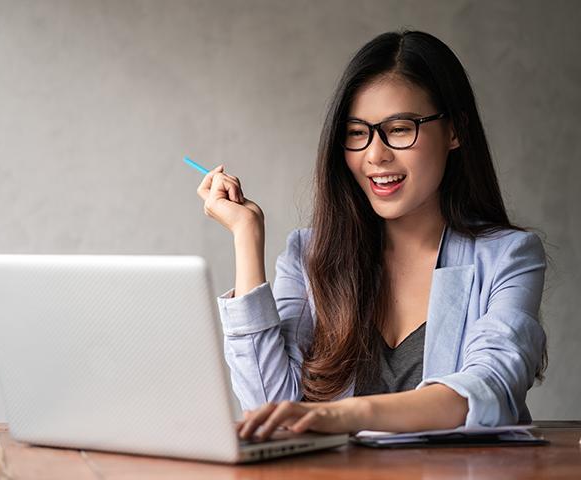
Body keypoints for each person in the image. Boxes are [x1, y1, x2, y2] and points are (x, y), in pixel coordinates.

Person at [195, 29, 548, 442]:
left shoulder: (509, 256)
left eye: (399, 129)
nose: (375, 155)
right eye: (357, 132)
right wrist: (246, 236)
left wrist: (346, 413)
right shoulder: (309, 255)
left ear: (455, 131)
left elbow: (486, 391)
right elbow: (269, 408)